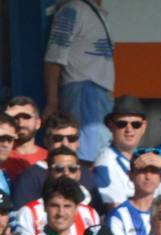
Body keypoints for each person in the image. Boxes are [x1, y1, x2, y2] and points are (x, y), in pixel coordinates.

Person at [42, 0, 115, 161]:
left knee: (102, 154)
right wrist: (52, 101)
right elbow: (54, 57)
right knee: (88, 157)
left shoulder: (97, 13)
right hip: (83, 92)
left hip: (100, 96)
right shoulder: (72, 9)